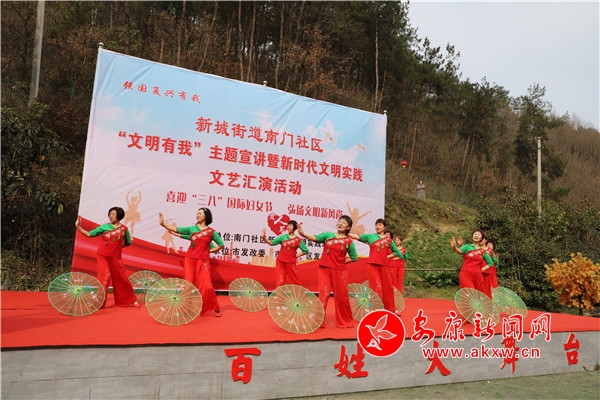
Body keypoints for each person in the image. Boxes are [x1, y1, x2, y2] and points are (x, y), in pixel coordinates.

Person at [159, 208, 224, 317]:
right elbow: (176, 229)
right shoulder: (192, 229)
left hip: (203, 262)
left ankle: (214, 307)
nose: (197, 215)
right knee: (187, 284)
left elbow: (221, 245)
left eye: (200, 213)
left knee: (207, 286)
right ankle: (185, 308)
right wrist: (163, 224)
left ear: (206, 216)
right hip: (190, 260)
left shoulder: (211, 232)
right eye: (197, 213)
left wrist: (209, 251)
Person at [297, 216, 357, 329]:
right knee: (323, 295)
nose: (341, 223)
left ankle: (345, 320)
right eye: (340, 221)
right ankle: (319, 321)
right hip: (324, 269)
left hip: (339, 272)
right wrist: (303, 234)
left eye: (344, 222)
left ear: (348, 227)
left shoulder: (349, 242)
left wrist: (340, 261)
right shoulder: (328, 235)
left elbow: (354, 258)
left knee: (341, 297)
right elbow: (314, 237)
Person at [75, 207, 139, 309]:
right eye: (110, 214)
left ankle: (131, 300)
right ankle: (99, 303)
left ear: (119, 215)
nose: (110, 216)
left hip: (116, 257)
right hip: (103, 256)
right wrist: (78, 227)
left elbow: (128, 243)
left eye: (113, 214)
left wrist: (119, 247)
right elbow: (89, 234)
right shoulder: (104, 227)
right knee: (105, 277)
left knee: (122, 278)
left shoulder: (124, 229)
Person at [349, 219, 405, 314]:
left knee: (388, 288)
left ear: (384, 227)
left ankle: (392, 308)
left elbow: (397, 252)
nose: (377, 226)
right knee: (376, 287)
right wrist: (347, 233)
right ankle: (375, 308)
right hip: (372, 266)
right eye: (376, 225)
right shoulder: (370, 237)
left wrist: (387, 256)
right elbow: (357, 236)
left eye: (380, 225)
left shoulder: (388, 240)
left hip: (384, 266)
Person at [261, 220, 309, 287]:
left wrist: (296, 256)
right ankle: (279, 293)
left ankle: (296, 293)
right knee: (280, 280)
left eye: (290, 226)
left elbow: (305, 250)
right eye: (288, 225)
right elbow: (271, 243)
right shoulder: (283, 237)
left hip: (290, 263)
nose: (288, 227)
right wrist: (264, 238)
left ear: (294, 228)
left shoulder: (298, 240)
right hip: (280, 262)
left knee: (294, 280)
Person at [450, 230, 494, 298]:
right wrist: (454, 247)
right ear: (472, 236)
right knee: (469, 293)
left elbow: (490, 263)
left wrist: (481, 270)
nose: (476, 235)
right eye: (475, 234)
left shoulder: (483, 251)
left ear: (481, 238)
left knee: (478, 296)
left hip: (477, 275)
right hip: (466, 273)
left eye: (478, 234)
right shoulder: (467, 247)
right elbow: (459, 251)